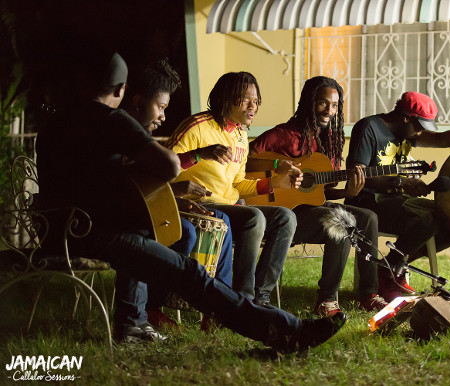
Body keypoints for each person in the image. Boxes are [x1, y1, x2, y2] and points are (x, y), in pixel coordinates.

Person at [35, 51, 345, 348]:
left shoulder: (56, 122)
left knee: (166, 235)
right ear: (121, 90)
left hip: (59, 231)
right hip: (100, 235)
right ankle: (286, 331)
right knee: (192, 273)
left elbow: (100, 181)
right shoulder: (111, 120)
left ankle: (133, 321)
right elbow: (169, 165)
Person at [345, 91, 450, 301]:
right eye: (419, 126)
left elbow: (441, 138)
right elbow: (358, 175)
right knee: (427, 218)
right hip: (367, 202)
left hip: (395, 200)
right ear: (405, 117)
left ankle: (391, 267)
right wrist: (401, 182)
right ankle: (389, 271)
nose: (421, 133)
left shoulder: (409, 132)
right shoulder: (369, 128)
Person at [248, 76, 388, 316]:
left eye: (334, 105)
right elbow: (247, 163)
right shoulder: (283, 135)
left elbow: (318, 192)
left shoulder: (325, 143)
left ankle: (369, 294)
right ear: (309, 102)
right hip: (280, 213)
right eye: (323, 103)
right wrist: (279, 169)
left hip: (309, 210)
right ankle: (326, 301)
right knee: (341, 222)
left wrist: (348, 192)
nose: (330, 111)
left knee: (368, 218)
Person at [164, 72, 302, 307]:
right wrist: (199, 155)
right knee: (253, 217)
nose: (253, 106)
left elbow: (238, 185)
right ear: (227, 99)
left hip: (229, 206)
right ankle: (242, 299)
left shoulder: (239, 135)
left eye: (256, 101)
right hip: (199, 204)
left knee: (285, 217)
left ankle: (261, 296)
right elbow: (165, 163)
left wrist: (274, 184)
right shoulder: (197, 127)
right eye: (246, 100)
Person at [122, 58, 234, 331]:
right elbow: (129, 187)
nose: (163, 116)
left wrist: (178, 198)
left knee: (219, 222)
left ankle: (216, 308)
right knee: (183, 232)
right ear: (137, 101)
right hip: (120, 219)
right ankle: (154, 307)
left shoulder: (136, 133)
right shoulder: (123, 132)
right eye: (160, 107)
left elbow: (144, 183)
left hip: (145, 207)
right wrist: (177, 190)